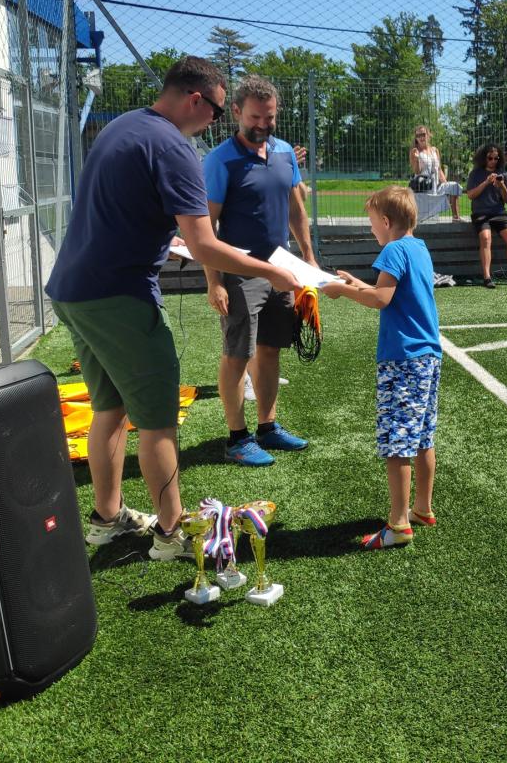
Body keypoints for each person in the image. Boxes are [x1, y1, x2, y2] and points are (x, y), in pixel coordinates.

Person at [46, 56, 301, 561]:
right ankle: (171, 534)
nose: (217, 122)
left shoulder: (123, 127)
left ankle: (107, 517)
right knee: (158, 421)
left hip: (74, 290)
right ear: (195, 100)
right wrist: (272, 271)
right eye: (218, 111)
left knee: (109, 409)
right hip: (120, 297)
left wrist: (172, 243)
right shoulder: (174, 147)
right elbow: (205, 244)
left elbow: (130, 215)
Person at [202, 75, 314, 467]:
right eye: (255, 117)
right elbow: (206, 228)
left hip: (282, 270)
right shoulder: (220, 160)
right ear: (236, 111)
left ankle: (267, 426)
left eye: (270, 118)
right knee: (237, 355)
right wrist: (214, 281)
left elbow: (296, 209)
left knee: (270, 350)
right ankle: (237, 438)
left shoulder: (284, 153)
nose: (263, 125)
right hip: (238, 273)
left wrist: (309, 258)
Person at [321, 187, 438, 550]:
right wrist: (358, 284)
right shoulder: (418, 248)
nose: (371, 229)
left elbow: (381, 298)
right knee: (423, 437)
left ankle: (399, 525)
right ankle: (422, 509)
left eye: (372, 223)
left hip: (402, 359)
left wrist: (343, 291)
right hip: (428, 357)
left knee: (397, 442)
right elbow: (391, 291)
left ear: (386, 222)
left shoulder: (393, 250)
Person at [464, 143, 507, 288]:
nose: (493, 161)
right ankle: (487, 277)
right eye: (490, 158)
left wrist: (502, 186)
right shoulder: (475, 174)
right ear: (484, 158)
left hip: (499, 213)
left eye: (496, 158)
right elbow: (470, 195)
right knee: (485, 237)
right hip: (481, 213)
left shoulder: (503, 175)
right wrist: (486, 182)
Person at [408, 126, 462, 220]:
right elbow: (417, 171)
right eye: (418, 135)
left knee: (454, 187)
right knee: (427, 219)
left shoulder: (434, 150)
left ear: (428, 135)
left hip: (437, 186)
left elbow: (439, 169)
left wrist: (446, 185)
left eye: (423, 134)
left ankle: (456, 218)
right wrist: (416, 159)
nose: (421, 137)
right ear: (416, 138)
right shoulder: (415, 151)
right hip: (424, 188)